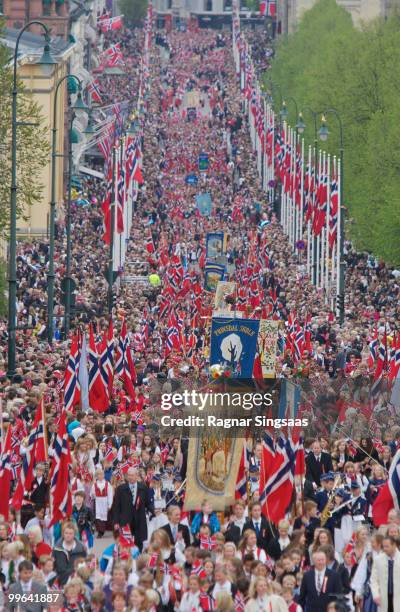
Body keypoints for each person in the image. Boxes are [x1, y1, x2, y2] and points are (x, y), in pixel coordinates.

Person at [112, 467, 154, 551]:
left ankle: (137, 559)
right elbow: (116, 507)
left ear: (136, 476)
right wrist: (116, 521)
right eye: (129, 475)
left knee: (139, 543)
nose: (130, 477)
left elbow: (148, 503)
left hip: (139, 519)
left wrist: (155, 511)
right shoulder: (121, 489)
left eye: (132, 475)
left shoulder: (143, 488)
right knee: (125, 543)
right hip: (125, 520)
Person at [371, 535, 400, 612]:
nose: (384, 549)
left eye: (387, 546)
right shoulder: (378, 559)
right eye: (383, 546)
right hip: (383, 599)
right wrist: (376, 595)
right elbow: (373, 579)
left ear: (394, 545)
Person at [52, 521, 87, 586]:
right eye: (66, 533)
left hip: (76, 582)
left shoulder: (81, 549)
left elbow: (85, 566)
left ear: (74, 534)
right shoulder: (56, 549)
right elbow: (53, 567)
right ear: (63, 534)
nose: (68, 535)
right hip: (60, 582)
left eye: (70, 533)